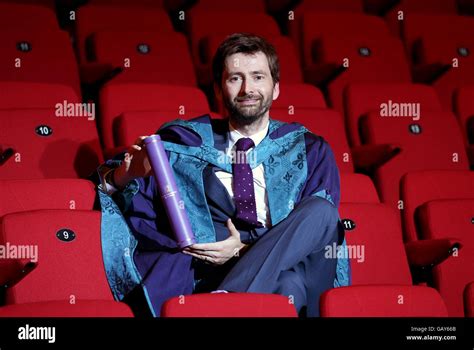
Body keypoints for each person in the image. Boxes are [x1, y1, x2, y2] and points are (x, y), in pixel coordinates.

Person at [95, 33, 350, 317]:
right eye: (235, 78)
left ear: (276, 88)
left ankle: (225, 302)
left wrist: (244, 250)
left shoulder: (308, 149)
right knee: (288, 288)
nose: (247, 88)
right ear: (218, 90)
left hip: (287, 266)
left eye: (257, 77)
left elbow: (317, 232)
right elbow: (111, 188)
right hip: (208, 271)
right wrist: (125, 176)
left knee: (321, 214)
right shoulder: (182, 143)